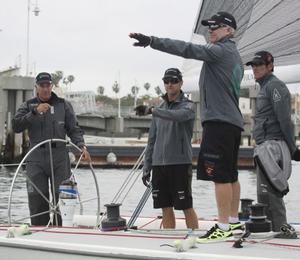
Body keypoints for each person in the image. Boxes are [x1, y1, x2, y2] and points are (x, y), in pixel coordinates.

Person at [130, 11, 244, 241]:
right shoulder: (235, 56)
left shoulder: (219, 51)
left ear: (229, 30)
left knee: (220, 176)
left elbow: (186, 48)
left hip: (219, 122)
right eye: (209, 27)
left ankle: (223, 227)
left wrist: (152, 41)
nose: (210, 30)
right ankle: (233, 222)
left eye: (215, 26)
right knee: (231, 174)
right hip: (232, 123)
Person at [12, 72, 91, 226]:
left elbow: (74, 129)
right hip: (36, 157)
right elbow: (16, 126)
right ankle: (39, 231)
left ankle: (62, 229)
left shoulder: (63, 105)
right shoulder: (28, 106)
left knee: (63, 197)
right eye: (42, 86)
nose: (46, 89)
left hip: (60, 157)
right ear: (36, 87)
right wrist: (34, 112)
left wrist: (81, 146)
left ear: (51, 86)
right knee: (37, 198)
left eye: (48, 85)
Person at [135, 68, 198, 229]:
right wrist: (147, 166)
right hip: (159, 165)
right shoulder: (160, 109)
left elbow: (178, 116)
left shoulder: (189, 106)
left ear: (181, 83)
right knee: (165, 207)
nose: (170, 84)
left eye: (174, 81)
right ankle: (169, 239)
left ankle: (197, 241)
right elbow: (152, 140)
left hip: (179, 164)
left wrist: (153, 110)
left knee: (185, 206)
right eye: (166, 81)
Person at [246, 51, 299, 236]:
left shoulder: (275, 86)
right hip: (264, 147)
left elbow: (285, 120)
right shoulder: (265, 87)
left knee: (272, 193)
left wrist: (293, 149)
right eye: (253, 65)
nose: (255, 68)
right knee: (264, 193)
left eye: (259, 65)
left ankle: (283, 231)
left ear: (270, 66)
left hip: (273, 147)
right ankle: (272, 230)